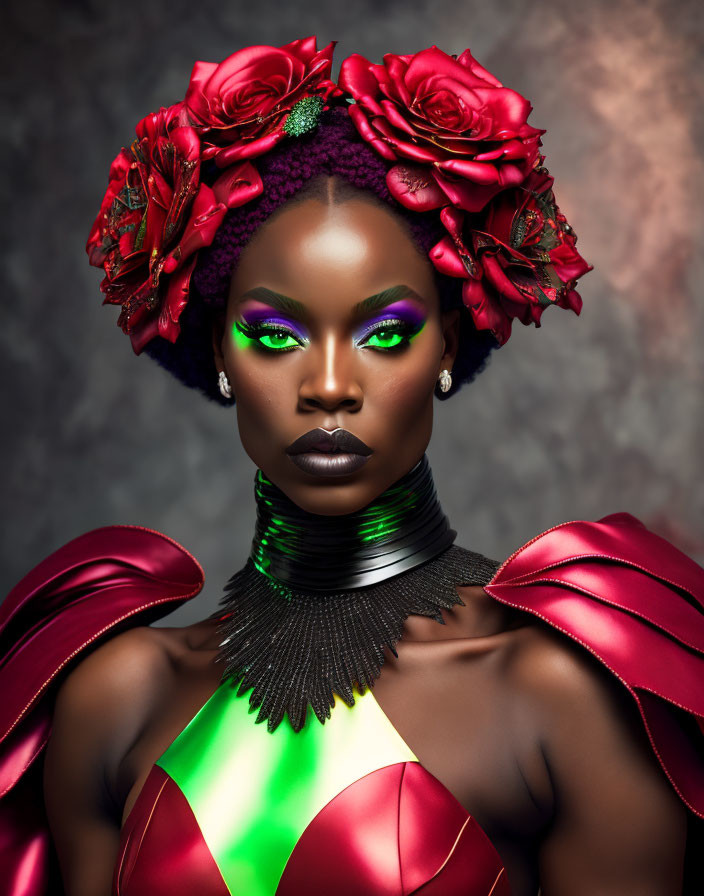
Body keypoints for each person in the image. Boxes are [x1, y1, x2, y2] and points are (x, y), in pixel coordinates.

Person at [1, 36, 702, 896]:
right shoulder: (118, 698)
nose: (328, 386)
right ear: (218, 351)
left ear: (448, 341)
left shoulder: (557, 695)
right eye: (274, 335)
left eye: (385, 333)